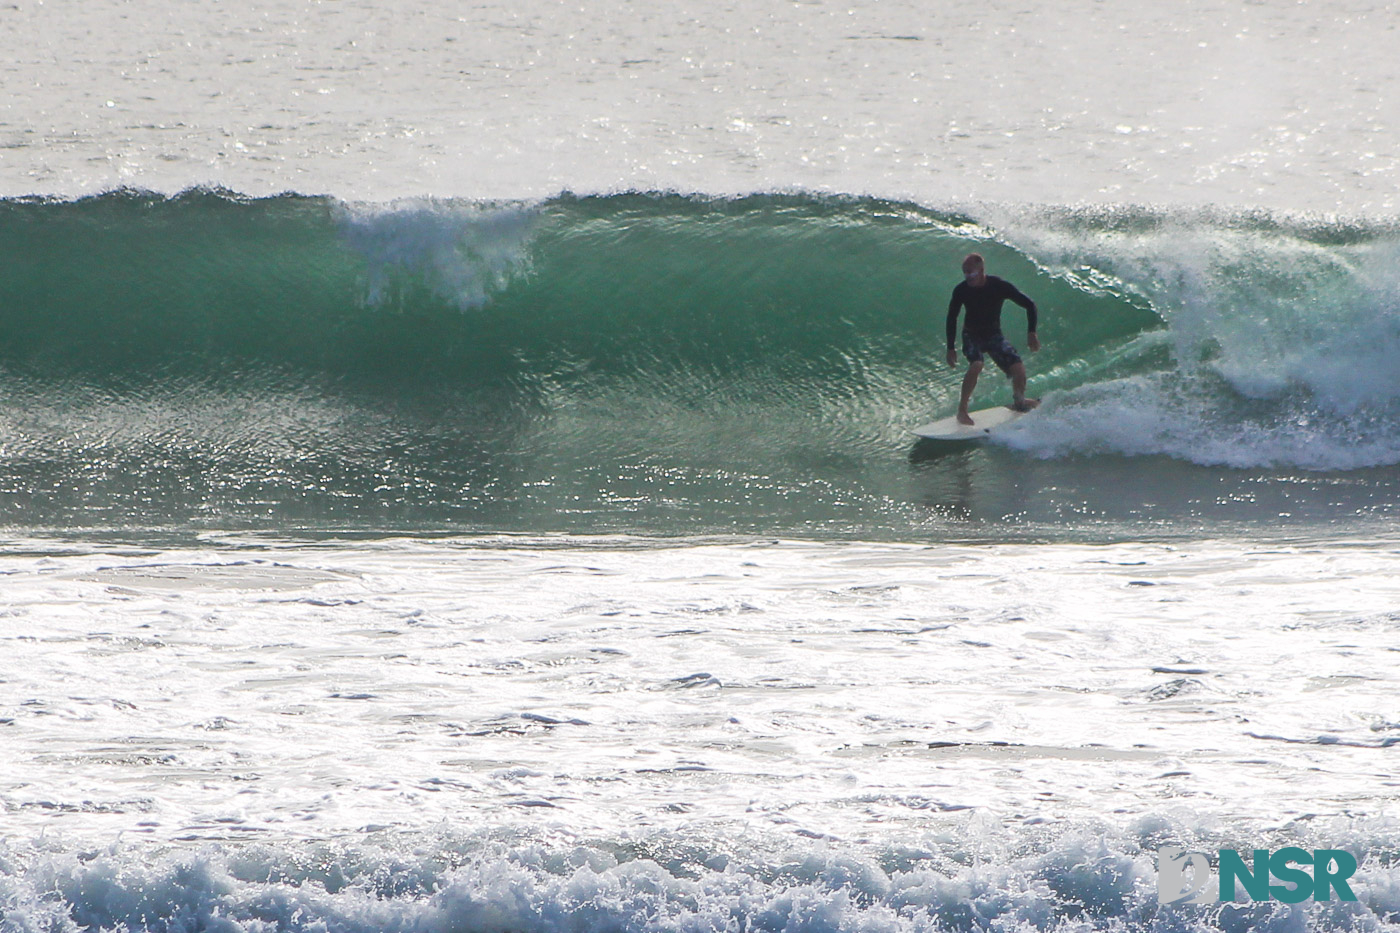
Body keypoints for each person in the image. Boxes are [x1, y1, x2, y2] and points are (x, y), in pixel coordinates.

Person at [945, 253, 1041, 425]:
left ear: (981, 270)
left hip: (993, 335)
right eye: (965, 272)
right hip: (971, 335)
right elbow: (952, 317)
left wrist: (1031, 332)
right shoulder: (961, 290)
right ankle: (962, 411)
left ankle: (1019, 401)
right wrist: (950, 348)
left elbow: (1029, 304)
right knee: (977, 364)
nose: (968, 276)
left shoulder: (998, 286)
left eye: (971, 272)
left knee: (1018, 369)